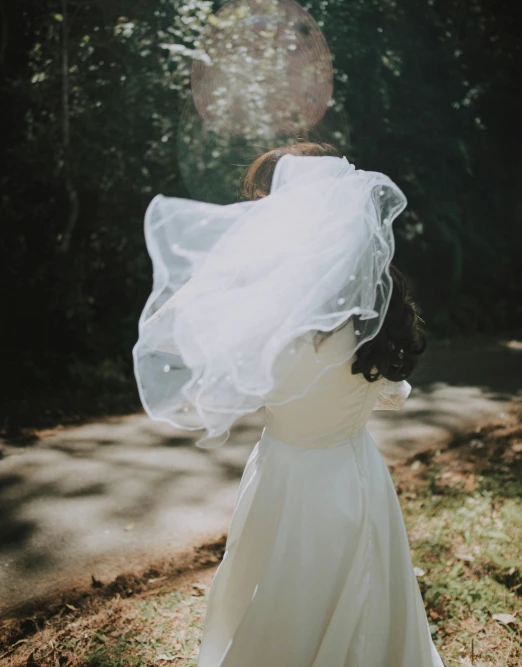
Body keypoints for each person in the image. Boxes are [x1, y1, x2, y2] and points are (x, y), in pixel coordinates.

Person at [134, 140, 445, 667]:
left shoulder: (265, 319)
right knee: (361, 601)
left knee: (277, 594)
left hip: (280, 474)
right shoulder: (375, 312)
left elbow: (175, 337)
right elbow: (394, 393)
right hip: (353, 475)